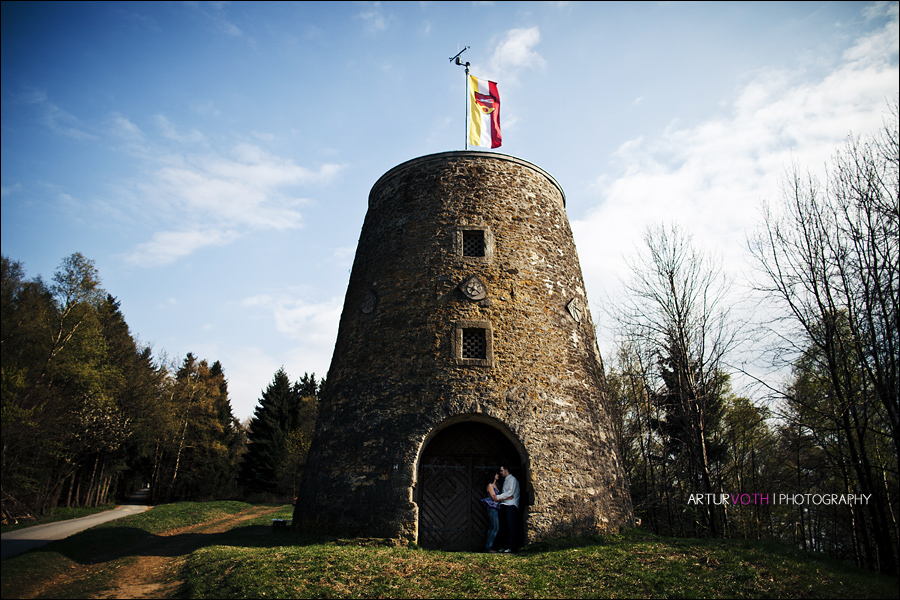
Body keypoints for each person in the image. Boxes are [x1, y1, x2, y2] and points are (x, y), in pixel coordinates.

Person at [495, 464, 520, 553]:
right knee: (504, 527)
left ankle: (511, 546)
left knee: (510, 526)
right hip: (505, 505)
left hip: (511, 505)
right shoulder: (506, 480)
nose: (501, 473)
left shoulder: (512, 480)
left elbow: (510, 493)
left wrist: (497, 497)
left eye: (501, 471)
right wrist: (502, 498)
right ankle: (505, 546)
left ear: (506, 470)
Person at [481, 471, 501, 553]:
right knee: (494, 527)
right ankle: (488, 547)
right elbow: (494, 497)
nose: (498, 475)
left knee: (494, 527)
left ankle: (490, 546)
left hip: (496, 508)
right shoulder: (490, 485)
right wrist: (506, 497)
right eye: (496, 474)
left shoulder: (496, 485)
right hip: (492, 508)